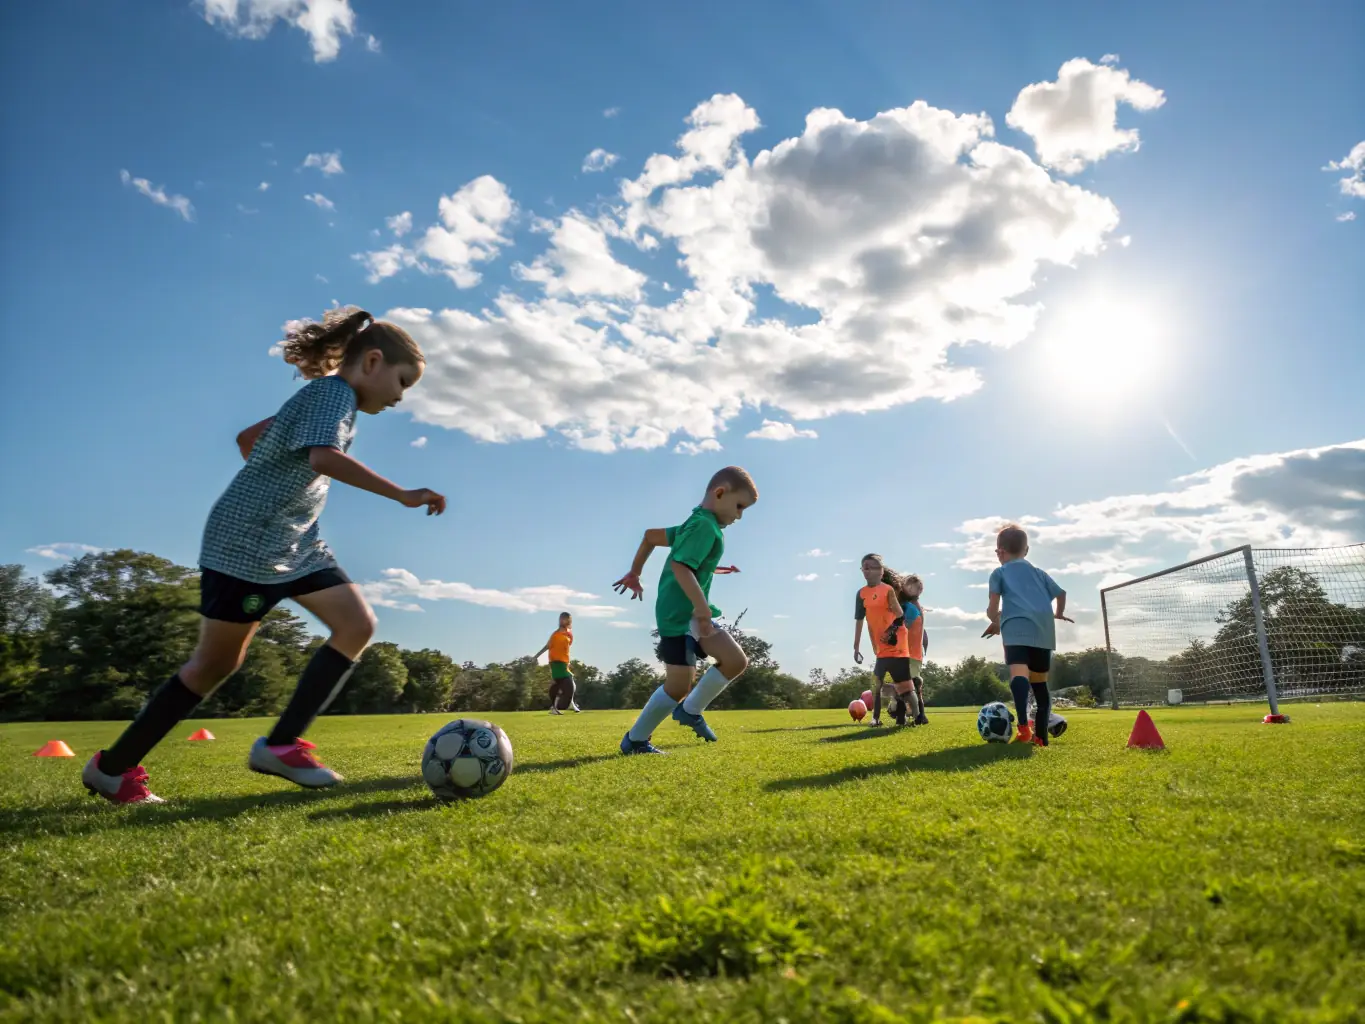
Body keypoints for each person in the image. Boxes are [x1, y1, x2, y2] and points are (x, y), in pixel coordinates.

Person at [82, 307, 445, 804]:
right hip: (246, 547)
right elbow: (322, 457)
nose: (401, 397)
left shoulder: (321, 398)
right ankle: (113, 768)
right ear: (373, 361)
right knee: (212, 666)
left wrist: (276, 471)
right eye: (402, 381)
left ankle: (280, 744)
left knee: (357, 625)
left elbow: (249, 439)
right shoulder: (334, 395)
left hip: (295, 544)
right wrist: (402, 494)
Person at [611, 467, 758, 754]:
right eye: (739, 506)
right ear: (719, 493)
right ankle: (636, 740)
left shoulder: (697, 522)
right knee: (678, 685)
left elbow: (651, 536)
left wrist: (635, 572)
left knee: (735, 660)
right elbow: (680, 566)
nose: (739, 515)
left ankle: (690, 711)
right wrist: (703, 611)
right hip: (679, 615)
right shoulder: (704, 525)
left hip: (692, 612)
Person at [982, 523, 1072, 746]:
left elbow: (993, 609)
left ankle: (1024, 730)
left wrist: (995, 619)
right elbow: (1061, 593)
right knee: (1040, 684)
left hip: (1015, 631)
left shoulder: (999, 572)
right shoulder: (1039, 573)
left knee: (1019, 677)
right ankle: (1041, 737)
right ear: (1026, 550)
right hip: (1043, 631)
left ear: (1000, 551)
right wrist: (1058, 613)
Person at [853, 554, 921, 727]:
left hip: (904, 653)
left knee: (904, 687)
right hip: (886, 652)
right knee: (888, 686)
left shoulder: (907, 607)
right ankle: (895, 716)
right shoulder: (869, 597)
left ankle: (914, 715)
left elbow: (905, 624)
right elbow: (868, 624)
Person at [897, 573, 930, 726]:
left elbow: (907, 627)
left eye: (913, 587)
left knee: (910, 685)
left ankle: (915, 716)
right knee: (907, 684)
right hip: (909, 652)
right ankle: (907, 715)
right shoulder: (915, 607)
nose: (909, 588)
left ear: (919, 591)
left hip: (911, 653)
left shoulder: (911, 607)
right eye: (907, 585)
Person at [532, 612, 580, 714]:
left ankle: (555, 707)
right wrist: (536, 656)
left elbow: (565, 649)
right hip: (555, 661)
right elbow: (547, 646)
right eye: (561, 618)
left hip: (564, 662)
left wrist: (568, 662)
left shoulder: (569, 634)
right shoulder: (555, 634)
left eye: (565, 619)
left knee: (558, 683)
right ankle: (565, 704)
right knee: (567, 680)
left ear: (569, 621)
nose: (562, 620)